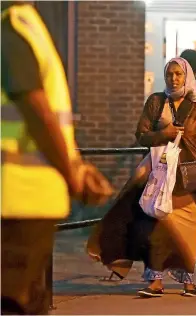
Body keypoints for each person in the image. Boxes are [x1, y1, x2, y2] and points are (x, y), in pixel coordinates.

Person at [1, 2, 112, 314]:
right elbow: (35, 106)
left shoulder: (24, 23)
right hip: (16, 202)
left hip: (25, 200)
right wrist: (71, 172)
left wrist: (75, 165)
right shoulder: (14, 26)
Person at [135, 57, 196, 297]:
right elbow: (141, 135)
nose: (173, 79)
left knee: (188, 227)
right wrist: (163, 133)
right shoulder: (156, 102)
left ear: (187, 76)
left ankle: (188, 280)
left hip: (192, 175)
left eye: (178, 74)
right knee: (159, 227)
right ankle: (155, 281)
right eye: (169, 74)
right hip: (162, 175)